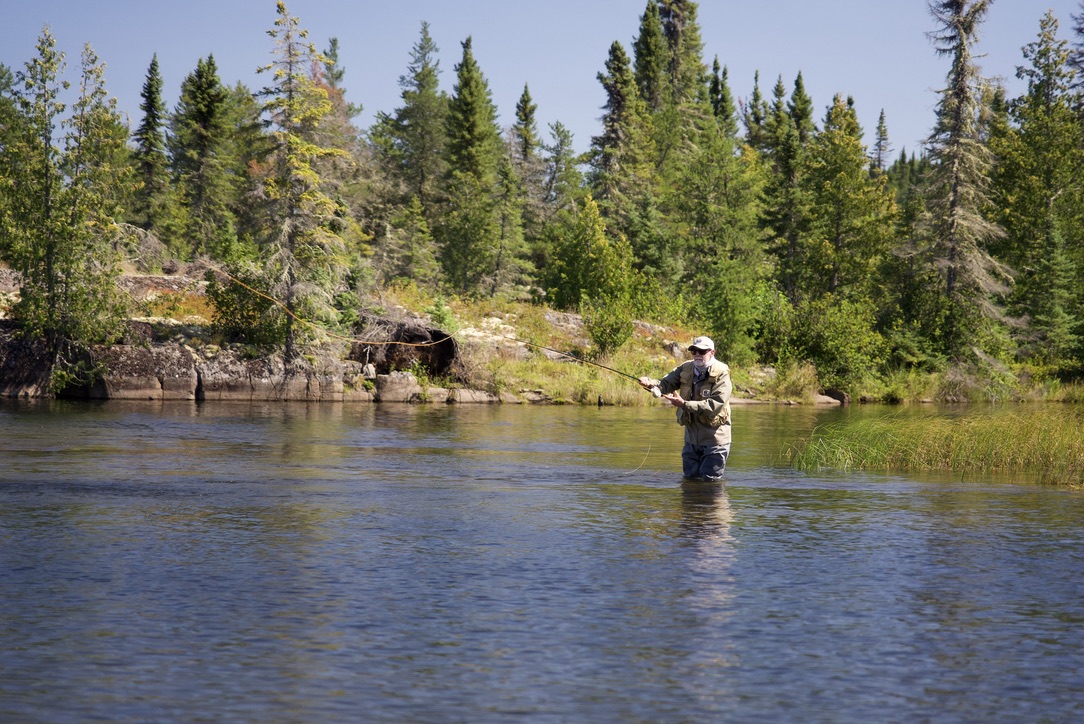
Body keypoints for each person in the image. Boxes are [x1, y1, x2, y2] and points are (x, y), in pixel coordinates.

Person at [638, 336, 732, 481]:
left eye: (702, 351)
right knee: (690, 481)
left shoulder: (722, 373)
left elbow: (714, 405)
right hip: (691, 439)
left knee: (710, 484)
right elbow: (666, 383)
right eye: (694, 351)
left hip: (715, 440)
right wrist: (651, 385)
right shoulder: (686, 368)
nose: (697, 355)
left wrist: (684, 404)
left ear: (712, 352)